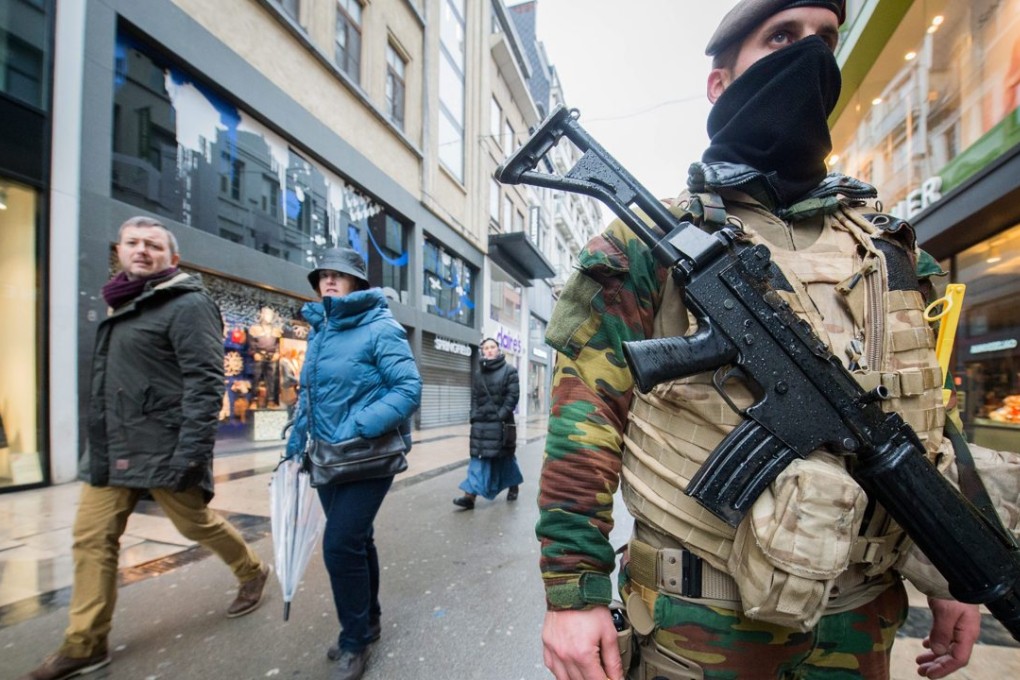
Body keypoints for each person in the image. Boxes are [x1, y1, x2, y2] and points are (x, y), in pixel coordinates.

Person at [534, 3, 983, 680]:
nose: (810, 57)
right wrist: (574, 592)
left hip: (858, 620)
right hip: (699, 626)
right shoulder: (648, 244)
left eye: (825, 40)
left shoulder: (892, 252)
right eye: (781, 38)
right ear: (719, 83)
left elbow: (929, 420)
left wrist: (959, 568)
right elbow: (584, 417)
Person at [19, 216, 269, 680]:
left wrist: (191, 453)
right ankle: (85, 644)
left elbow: (206, 381)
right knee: (92, 540)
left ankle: (251, 570)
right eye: (132, 243)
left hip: (163, 446)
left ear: (172, 258)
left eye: (153, 245)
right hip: (112, 447)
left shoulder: (187, 303)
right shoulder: (123, 301)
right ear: (119, 251)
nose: (141, 250)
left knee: (195, 523)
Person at [285, 247, 422, 680]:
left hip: (369, 455)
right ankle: (371, 620)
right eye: (323, 274)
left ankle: (354, 641)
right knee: (359, 541)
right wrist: (294, 444)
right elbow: (309, 395)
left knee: (339, 545)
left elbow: (407, 387)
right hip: (327, 457)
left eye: (338, 275)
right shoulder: (321, 330)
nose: (328, 280)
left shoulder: (379, 326)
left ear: (356, 284)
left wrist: (363, 425)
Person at [452, 337, 523, 510]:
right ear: (483, 351)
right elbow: (475, 397)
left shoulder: (509, 371)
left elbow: (512, 397)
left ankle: (513, 485)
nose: (489, 350)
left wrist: (500, 415)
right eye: (486, 348)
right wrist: (473, 415)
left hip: (500, 424)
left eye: (492, 347)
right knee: (479, 457)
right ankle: (470, 496)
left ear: (498, 350)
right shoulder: (479, 374)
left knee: (504, 458)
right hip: (481, 424)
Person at [249, 306, 283, 407]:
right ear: (262, 315)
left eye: (270, 314)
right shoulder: (255, 329)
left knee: (271, 379)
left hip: (272, 356)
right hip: (259, 354)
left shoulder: (276, 330)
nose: (269, 317)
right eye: (267, 314)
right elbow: (251, 342)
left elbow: (278, 343)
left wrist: (277, 352)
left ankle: (271, 400)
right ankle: (254, 400)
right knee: (256, 378)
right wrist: (254, 353)